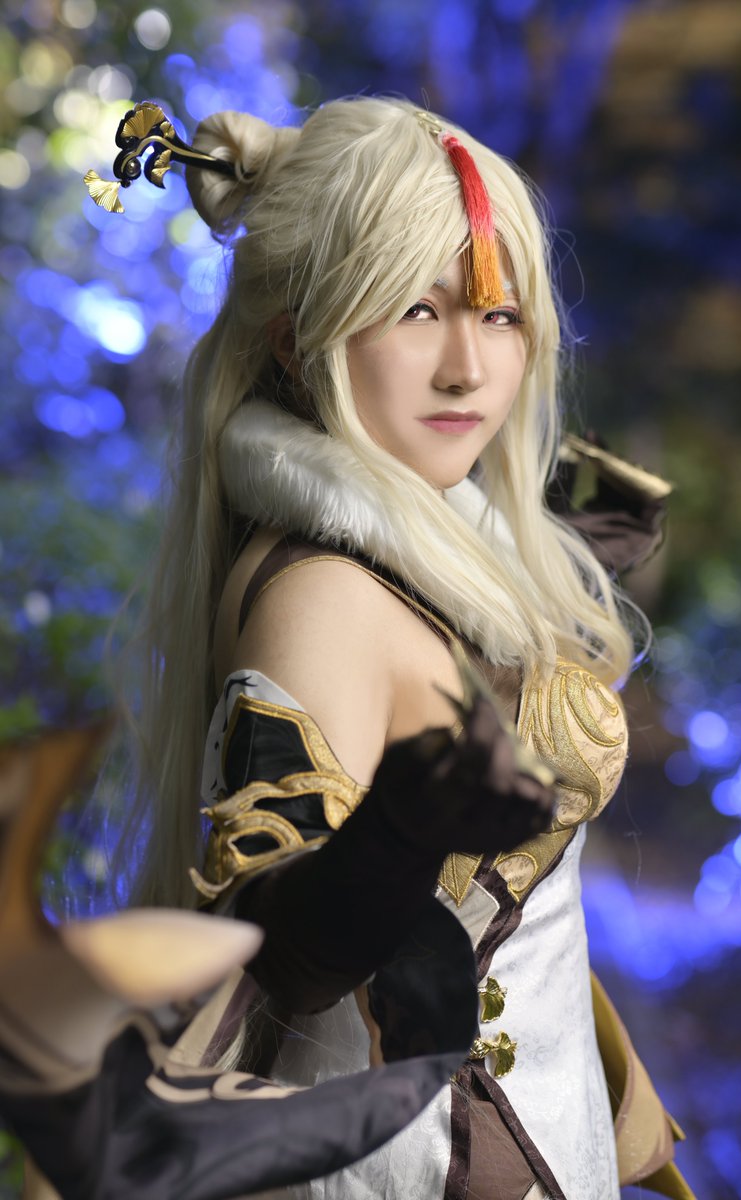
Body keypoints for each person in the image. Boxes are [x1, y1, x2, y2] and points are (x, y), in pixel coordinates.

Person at [90, 96, 691, 1199]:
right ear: (298, 339)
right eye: (416, 309)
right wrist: (395, 839)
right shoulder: (321, 594)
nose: (469, 368)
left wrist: (559, 544)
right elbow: (280, 958)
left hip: (537, 1139)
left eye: (499, 315)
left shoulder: (438, 529)